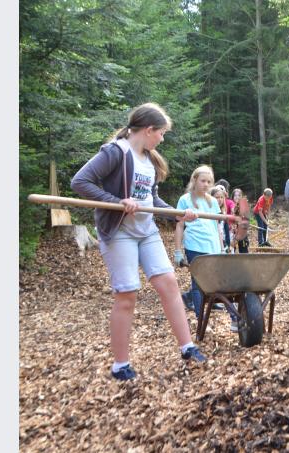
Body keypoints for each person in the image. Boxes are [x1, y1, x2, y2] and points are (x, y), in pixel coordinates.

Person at [70, 102, 206, 381]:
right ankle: (120, 365)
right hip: (119, 232)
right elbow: (80, 181)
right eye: (162, 133)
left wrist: (177, 213)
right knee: (127, 292)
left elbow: (150, 199)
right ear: (148, 129)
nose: (162, 138)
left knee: (168, 282)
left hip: (147, 232)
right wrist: (116, 202)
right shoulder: (115, 152)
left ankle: (187, 347)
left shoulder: (150, 159)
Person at [173, 165, 223, 319]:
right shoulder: (185, 200)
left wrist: (222, 248)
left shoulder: (213, 202)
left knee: (212, 281)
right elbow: (180, 225)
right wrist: (178, 251)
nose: (206, 184)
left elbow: (216, 226)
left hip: (212, 245)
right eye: (203, 181)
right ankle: (200, 318)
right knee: (197, 282)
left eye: (209, 181)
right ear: (194, 180)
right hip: (194, 245)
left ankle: (193, 300)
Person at [231, 188, 250, 253]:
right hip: (233, 231)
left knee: (243, 249)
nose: (237, 197)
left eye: (239, 195)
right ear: (233, 197)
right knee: (233, 249)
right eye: (235, 195)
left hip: (241, 231)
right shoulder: (232, 206)